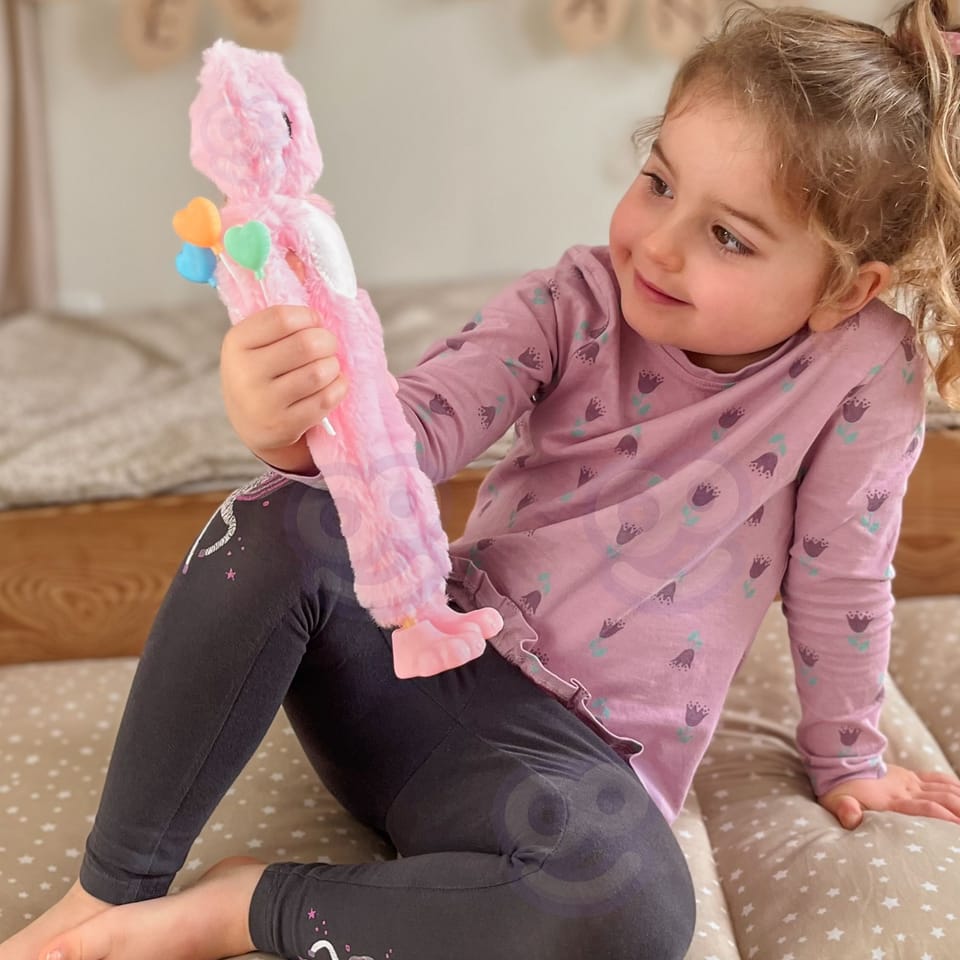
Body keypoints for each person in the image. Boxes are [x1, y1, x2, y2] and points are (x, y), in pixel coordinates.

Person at [6, 1, 960, 958]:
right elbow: (405, 436)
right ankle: (112, 892)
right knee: (283, 518)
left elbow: (841, 575)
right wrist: (287, 431)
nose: (660, 245)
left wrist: (849, 755)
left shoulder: (865, 368)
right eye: (659, 183)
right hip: (413, 664)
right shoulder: (569, 302)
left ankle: (241, 908)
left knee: (634, 909)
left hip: (555, 775)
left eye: (730, 237)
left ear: (847, 289)